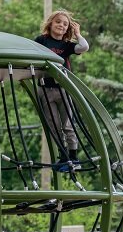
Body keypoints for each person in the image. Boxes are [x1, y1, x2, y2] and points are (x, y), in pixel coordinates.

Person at [34, 10, 89, 172]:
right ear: (51, 23)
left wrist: (77, 33)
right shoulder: (42, 40)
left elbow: (84, 47)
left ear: (68, 29)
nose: (61, 26)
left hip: (63, 88)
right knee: (54, 125)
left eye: (65, 24)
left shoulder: (66, 45)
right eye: (58, 22)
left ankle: (73, 155)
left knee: (68, 124)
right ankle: (63, 156)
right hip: (45, 88)